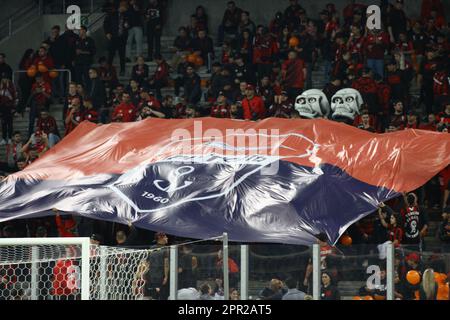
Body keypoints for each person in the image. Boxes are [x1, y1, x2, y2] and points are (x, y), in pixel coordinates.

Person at [104, 3, 130, 77]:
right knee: (111, 55)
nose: (125, 10)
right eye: (125, 8)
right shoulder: (112, 14)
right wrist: (107, 33)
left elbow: (129, 23)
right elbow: (106, 24)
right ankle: (108, 71)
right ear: (121, 7)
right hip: (113, 37)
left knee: (122, 55)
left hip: (122, 38)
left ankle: (122, 70)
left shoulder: (126, 15)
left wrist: (128, 25)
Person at [143, 232, 169, 300]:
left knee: (153, 296)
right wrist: (166, 276)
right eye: (165, 237)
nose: (167, 238)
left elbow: (146, 262)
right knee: (162, 295)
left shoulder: (151, 248)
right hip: (161, 276)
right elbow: (166, 264)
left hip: (151, 276)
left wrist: (145, 273)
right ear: (161, 238)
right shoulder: (165, 249)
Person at [0, 76, 17, 145]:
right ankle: (4, 138)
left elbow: (14, 97)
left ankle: (10, 138)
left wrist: (14, 108)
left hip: (9, 107)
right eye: (3, 79)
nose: (4, 80)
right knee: (3, 124)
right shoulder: (0, 87)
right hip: (2, 108)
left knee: (10, 124)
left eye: (6, 78)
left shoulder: (11, 86)